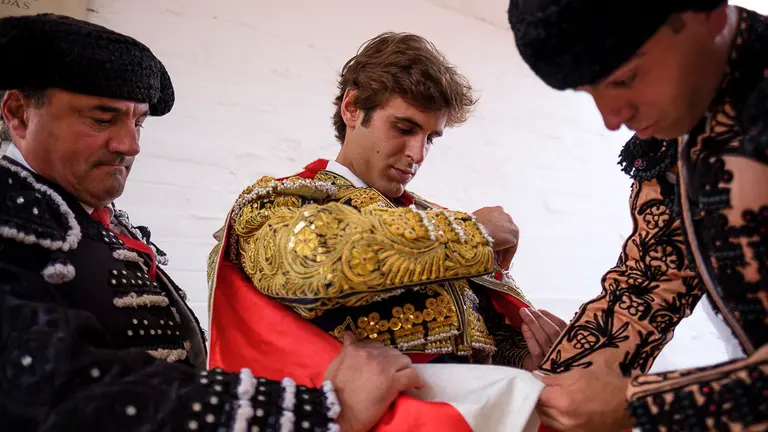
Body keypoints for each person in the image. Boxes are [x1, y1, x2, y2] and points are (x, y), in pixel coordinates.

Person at [0, 13, 423, 432]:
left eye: (139, 121)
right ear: (19, 114)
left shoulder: (94, 221)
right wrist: (323, 410)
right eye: (101, 118)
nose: (131, 145)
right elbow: (54, 384)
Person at [208, 31, 567, 375]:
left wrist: (528, 357)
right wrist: (471, 231)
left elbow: (479, 340)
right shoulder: (277, 202)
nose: (418, 154)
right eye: (404, 128)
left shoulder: (431, 218)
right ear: (352, 108)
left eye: (430, 138)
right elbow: (311, 260)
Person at [507, 1, 767, 431]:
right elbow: (648, 285)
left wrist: (643, 404)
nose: (611, 119)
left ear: (710, 13)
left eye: (626, 79)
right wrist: (548, 397)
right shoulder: (679, 136)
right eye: (589, 93)